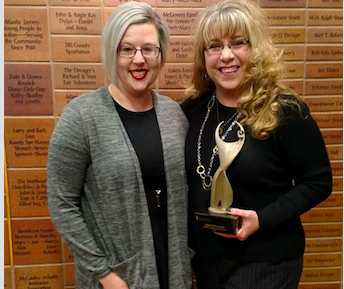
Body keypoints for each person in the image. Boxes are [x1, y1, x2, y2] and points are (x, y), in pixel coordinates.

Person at [181, 0, 332, 288]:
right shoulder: (192, 111)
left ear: (256, 49)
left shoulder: (286, 111)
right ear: (204, 56)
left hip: (267, 260)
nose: (226, 56)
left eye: (238, 43)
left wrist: (261, 219)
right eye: (214, 46)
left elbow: (318, 182)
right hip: (206, 258)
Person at [47, 2, 192, 289]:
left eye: (148, 48)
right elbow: (61, 203)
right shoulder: (82, 116)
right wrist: (104, 274)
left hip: (173, 268)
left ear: (160, 54)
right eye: (127, 49)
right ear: (112, 53)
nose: (139, 60)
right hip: (117, 277)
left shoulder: (173, 114)